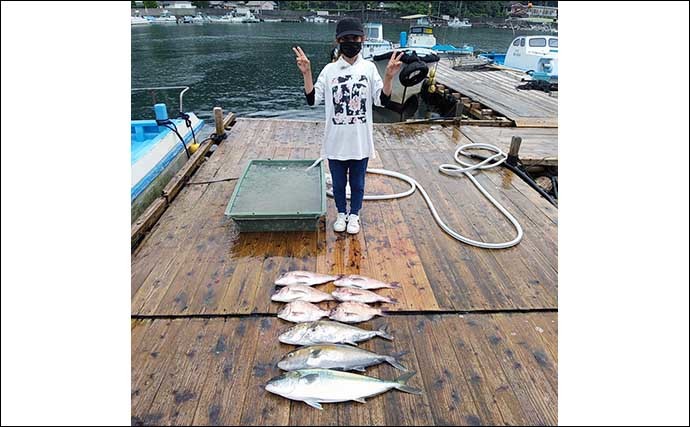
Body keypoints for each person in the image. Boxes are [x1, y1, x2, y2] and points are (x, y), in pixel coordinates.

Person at [293, 17, 403, 234]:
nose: (350, 42)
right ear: (338, 41)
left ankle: (355, 215)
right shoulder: (329, 71)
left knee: (358, 184)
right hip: (335, 141)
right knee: (338, 184)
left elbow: (381, 100)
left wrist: (389, 77)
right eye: (345, 39)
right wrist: (307, 74)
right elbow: (313, 99)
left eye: (354, 38)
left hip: (360, 141)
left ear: (362, 39)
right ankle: (341, 213)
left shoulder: (369, 69)